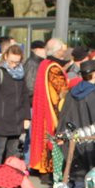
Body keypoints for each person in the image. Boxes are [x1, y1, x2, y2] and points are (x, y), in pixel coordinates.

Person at [57, 59, 95, 172]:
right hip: (88, 143)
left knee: (73, 176)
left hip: (72, 140)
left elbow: (63, 116)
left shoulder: (71, 93)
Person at [28, 38, 71, 176]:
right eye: (62, 51)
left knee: (41, 138)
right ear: (57, 51)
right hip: (51, 110)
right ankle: (50, 169)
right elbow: (62, 89)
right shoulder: (53, 68)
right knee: (51, 139)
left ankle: (40, 166)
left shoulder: (44, 64)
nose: (64, 54)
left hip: (42, 107)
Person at [0, 44, 30, 166]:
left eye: (17, 62)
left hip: (17, 118)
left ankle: (9, 178)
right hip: (2, 118)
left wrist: (27, 117)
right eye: (11, 61)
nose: (14, 65)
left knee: (13, 151)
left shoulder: (21, 73)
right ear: (5, 56)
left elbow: (25, 95)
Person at [23, 39, 46, 104]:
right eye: (44, 49)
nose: (46, 51)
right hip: (32, 102)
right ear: (37, 50)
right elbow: (30, 86)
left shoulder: (38, 62)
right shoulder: (32, 63)